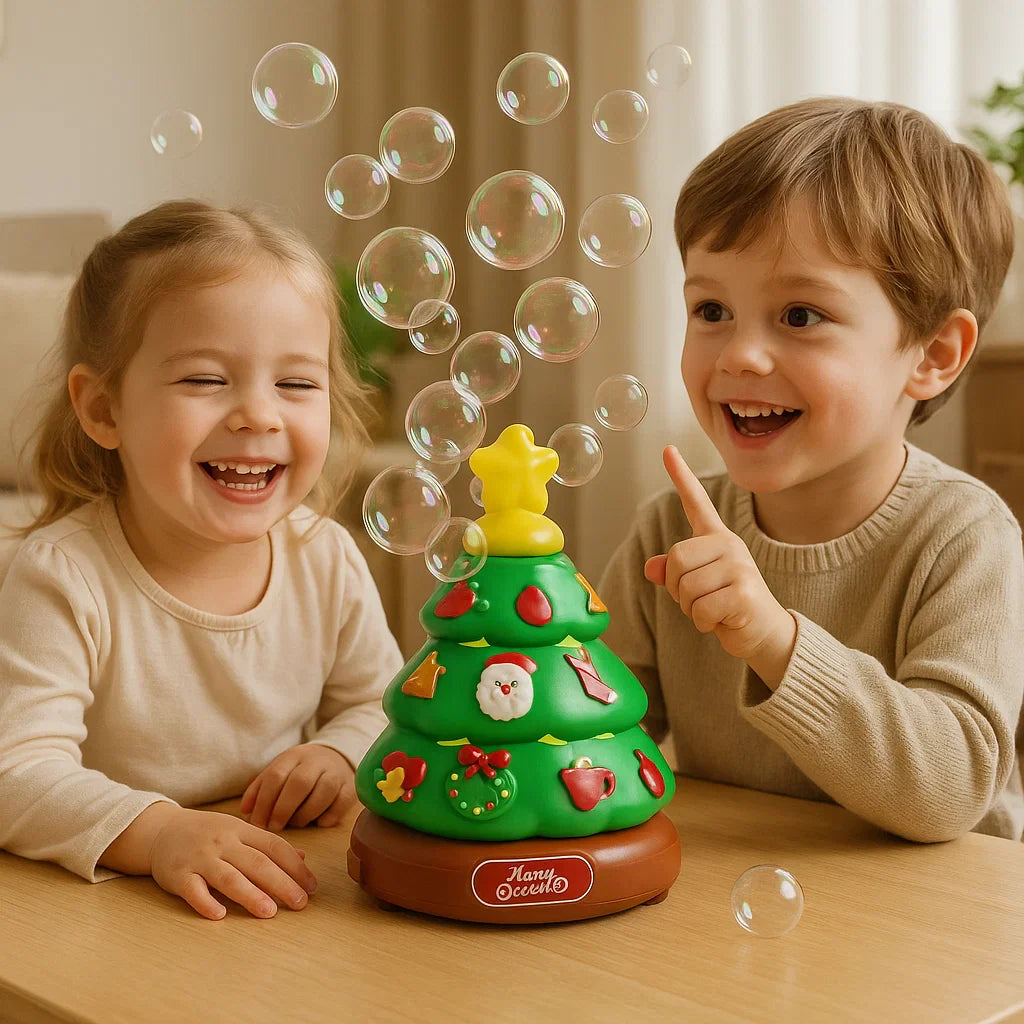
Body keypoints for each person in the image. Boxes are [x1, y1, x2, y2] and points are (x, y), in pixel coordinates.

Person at [599, 97, 1024, 843]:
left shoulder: (964, 534)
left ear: (933, 355)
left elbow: (952, 789)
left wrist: (773, 638)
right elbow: (592, 729)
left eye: (799, 316)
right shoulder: (667, 529)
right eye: (710, 309)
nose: (737, 355)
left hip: (933, 931)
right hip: (731, 927)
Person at [0, 200, 403, 919]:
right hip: (106, 911)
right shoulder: (61, 575)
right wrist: (158, 834)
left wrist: (341, 754)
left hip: (273, 891)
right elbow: (17, 772)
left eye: (298, 383)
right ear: (103, 410)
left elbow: (384, 704)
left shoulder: (325, 557)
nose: (260, 414)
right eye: (205, 380)